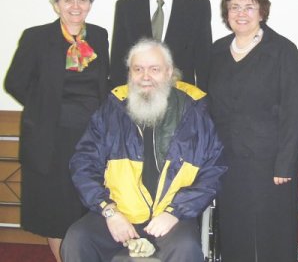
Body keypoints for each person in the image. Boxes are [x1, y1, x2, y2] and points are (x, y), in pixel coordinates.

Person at [60, 39, 226, 262]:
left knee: (186, 249)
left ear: (169, 72)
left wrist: (175, 212)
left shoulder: (195, 111)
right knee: (77, 239)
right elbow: (83, 162)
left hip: (172, 214)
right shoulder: (112, 108)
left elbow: (213, 170)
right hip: (119, 211)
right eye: (138, 69)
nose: (145, 76)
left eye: (154, 69)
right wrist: (109, 211)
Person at [4, 0, 109, 261]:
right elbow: (14, 82)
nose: (76, 6)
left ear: (90, 4)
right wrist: (46, 108)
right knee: (56, 211)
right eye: (68, 0)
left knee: (84, 207)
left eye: (83, 0)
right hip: (51, 140)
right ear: (56, 4)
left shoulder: (99, 36)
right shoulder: (37, 37)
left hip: (90, 140)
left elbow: (103, 84)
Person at [207, 0, 298, 262]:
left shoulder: (283, 50)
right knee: (235, 232)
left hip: (270, 164)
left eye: (249, 7)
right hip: (228, 162)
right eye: (234, 6)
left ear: (262, 11)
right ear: (226, 12)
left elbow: (294, 111)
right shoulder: (217, 50)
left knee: (271, 236)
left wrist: (286, 163)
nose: (240, 13)